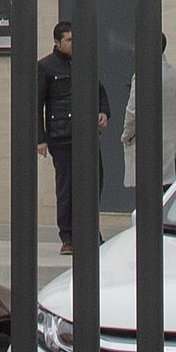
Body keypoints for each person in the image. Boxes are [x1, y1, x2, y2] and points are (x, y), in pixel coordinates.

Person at [36, 21, 109, 257]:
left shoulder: (84, 63)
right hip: (62, 136)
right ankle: (67, 237)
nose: (73, 44)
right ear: (57, 42)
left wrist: (103, 112)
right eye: (69, 40)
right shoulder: (45, 67)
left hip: (87, 135)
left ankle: (89, 231)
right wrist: (40, 138)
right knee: (66, 188)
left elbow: (100, 92)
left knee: (93, 183)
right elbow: (36, 105)